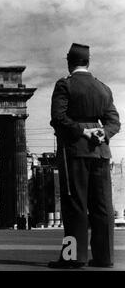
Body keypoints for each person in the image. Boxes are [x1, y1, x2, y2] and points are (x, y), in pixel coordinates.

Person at [49, 43, 120, 269]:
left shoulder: (65, 85)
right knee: (102, 206)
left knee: (75, 206)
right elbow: (114, 122)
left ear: (69, 61)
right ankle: (104, 258)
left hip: (74, 151)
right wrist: (103, 132)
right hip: (100, 152)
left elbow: (58, 118)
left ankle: (73, 257)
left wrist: (83, 131)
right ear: (88, 62)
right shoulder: (103, 88)